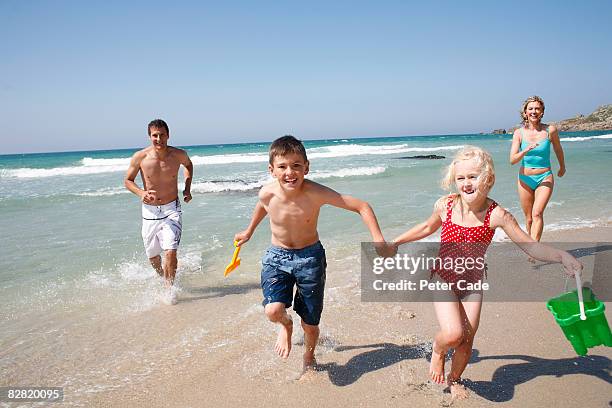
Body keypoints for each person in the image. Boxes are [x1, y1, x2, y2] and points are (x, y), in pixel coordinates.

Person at [388, 146, 581, 401]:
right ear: (453, 180)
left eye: (473, 177)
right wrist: (395, 242)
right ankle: (437, 350)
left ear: (487, 178)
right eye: (461, 178)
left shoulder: (496, 215)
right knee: (453, 334)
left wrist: (561, 256)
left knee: (467, 341)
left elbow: (529, 245)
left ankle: (454, 379)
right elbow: (425, 227)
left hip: (473, 282)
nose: (466, 184)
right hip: (444, 277)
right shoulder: (447, 206)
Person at [234, 135, 392, 373]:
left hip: (310, 259)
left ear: (306, 167)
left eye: (296, 165)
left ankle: (309, 358)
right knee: (273, 310)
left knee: (310, 324)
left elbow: (362, 206)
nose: (290, 172)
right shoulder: (266, 193)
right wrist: (248, 231)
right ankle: (286, 326)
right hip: (277, 257)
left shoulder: (316, 193)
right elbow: (263, 208)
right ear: (272, 170)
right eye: (283, 166)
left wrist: (378, 238)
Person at [124, 119, 193, 305]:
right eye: (155, 135)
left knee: (170, 250)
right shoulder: (140, 157)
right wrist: (141, 193)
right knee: (153, 256)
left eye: (162, 134)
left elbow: (189, 165)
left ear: (168, 135)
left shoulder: (178, 154)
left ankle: (169, 290)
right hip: (150, 212)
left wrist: (187, 188)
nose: (159, 138)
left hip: (172, 209)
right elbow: (128, 180)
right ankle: (164, 275)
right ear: (149, 137)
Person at [510, 96, 566, 243]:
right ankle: (531, 247)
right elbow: (512, 160)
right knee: (528, 219)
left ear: (542, 112)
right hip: (525, 178)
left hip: (544, 176)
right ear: (525, 112)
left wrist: (562, 167)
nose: (534, 111)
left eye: (537, 108)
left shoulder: (550, 131)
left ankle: (535, 248)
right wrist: (525, 151)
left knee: (537, 213)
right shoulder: (519, 133)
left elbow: (558, 150)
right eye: (531, 108)